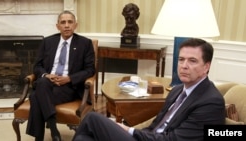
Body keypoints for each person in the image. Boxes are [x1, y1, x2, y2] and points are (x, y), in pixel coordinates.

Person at [72, 38, 225, 141]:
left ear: (206, 66)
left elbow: (174, 139)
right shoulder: (177, 90)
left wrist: (130, 131)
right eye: (181, 59)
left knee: (92, 119)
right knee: (84, 138)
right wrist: (134, 132)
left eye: (192, 61)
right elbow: (155, 126)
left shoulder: (211, 101)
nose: (184, 65)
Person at [26, 10, 95, 141]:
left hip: (68, 87)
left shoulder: (85, 43)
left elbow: (90, 70)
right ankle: (53, 129)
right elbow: (37, 66)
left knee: (35, 96)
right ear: (58, 26)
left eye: (70, 22)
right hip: (47, 83)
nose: (67, 25)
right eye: (63, 22)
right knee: (42, 82)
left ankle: (39, 137)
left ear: (76, 25)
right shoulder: (48, 42)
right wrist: (47, 75)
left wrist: (69, 78)